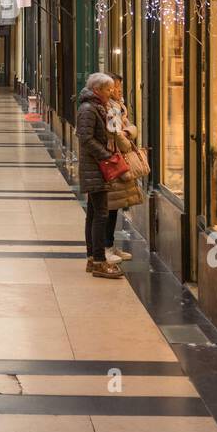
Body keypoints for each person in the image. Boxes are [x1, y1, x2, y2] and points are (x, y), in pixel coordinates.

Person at [76, 73, 126, 279]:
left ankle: (92, 259)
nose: (111, 92)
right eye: (108, 89)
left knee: (94, 214)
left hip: (96, 166)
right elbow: (86, 138)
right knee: (101, 215)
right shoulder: (88, 109)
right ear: (97, 90)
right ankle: (98, 261)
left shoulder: (96, 107)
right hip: (95, 167)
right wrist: (107, 156)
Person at [104, 74, 138, 262]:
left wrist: (128, 131)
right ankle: (106, 247)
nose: (119, 91)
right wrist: (126, 137)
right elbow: (116, 135)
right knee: (109, 207)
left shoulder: (119, 107)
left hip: (117, 160)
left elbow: (130, 128)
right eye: (116, 87)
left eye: (120, 87)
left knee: (114, 207)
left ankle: (110, 245)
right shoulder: (110, 108)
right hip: (113, 161)